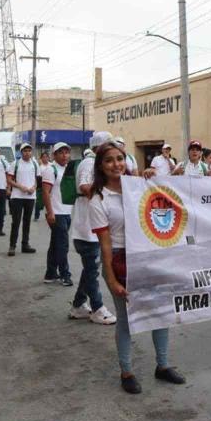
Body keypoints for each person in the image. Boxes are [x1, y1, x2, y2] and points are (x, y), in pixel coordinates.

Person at [89, 140, 186, 394]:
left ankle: (163, 365)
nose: (116, 164)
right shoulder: (99, 199)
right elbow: (106, 246)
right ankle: (127, 371)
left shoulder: (141, 187)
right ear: (101, 166)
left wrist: (153, 178)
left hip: (149, 256)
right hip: (121, 261)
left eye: (119, 159)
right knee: (125, 320)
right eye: (109, 160)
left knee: (160, 312)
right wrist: (111, 280)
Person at [69, 131, 117, 325]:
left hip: (91, 228)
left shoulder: (93, 163)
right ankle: (97, 308)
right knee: (92, 269)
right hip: (87, 229)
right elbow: (85, 186)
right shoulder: (90, 163)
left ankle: (78, 305)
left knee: (90, 268)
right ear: (100, 147)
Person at [41, 142, 73, 286]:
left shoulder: (67, 169)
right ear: (54, 155)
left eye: (67, 152)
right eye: (61, 152)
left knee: (55, 244)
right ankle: (65, 275)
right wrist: (50, 212)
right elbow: (46, 192)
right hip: (57, 212)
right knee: (63, 245)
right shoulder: (51, 169)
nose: (65, 155)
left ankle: (50, 273)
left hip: (67, 212)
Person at [7, 143, 39, 256]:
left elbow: (37, 180)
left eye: (29, 151)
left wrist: (33, 188)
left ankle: (25, 244)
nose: (27, 153)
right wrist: (21, 187)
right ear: (21, 152)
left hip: (30, 197)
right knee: (16, 222)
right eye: (25, 151)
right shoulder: (15, 164)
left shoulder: (34, 164)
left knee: (27, 222)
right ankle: (12, 246)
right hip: (17, 197)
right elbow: (9, 180)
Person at [34, 152, 50, 221]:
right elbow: (38, 177)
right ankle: (36, 216)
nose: (45, 158)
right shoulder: (39, 167)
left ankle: (49, 214)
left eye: (46, 157)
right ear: (41, 158)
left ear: (48, 158)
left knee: (49, 201)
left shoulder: (51, 165)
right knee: (38, 202)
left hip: (50, 186)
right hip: (41, 187)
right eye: (43, 157)